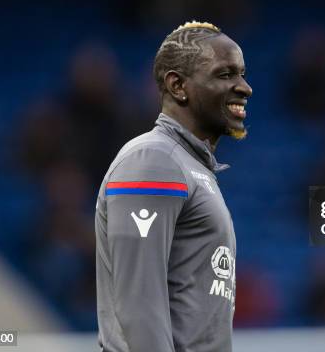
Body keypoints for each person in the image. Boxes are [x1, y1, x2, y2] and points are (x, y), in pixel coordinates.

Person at [95, 21, 252, 352]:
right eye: (225, 75)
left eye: (242, 74)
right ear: (177, 85)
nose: (244, 87)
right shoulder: (154, 159)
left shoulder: (189, 166)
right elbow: (139, 308)